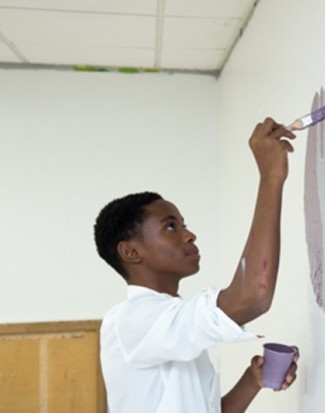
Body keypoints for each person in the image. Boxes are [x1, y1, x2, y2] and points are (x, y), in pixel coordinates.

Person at [94, 118, 299, 413]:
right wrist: (271, 177)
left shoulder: (167, 323)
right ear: (131, 251)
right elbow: (252, 297)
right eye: (170, 227)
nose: (189, 235)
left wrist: (251, 381)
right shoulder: (131, 320)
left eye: (183, 224)